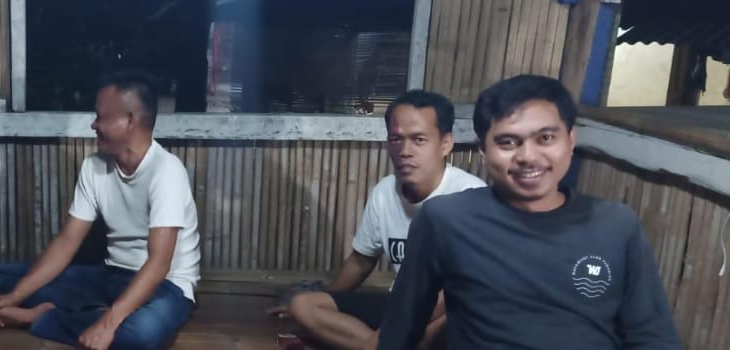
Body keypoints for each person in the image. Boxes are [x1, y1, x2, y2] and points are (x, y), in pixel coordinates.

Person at [377, 75, 682, 349]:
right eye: (508, 142)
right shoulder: (445, 219)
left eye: (545, 138)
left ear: (570, 141)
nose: (528, 156)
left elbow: (652, 336)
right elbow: (401, 327)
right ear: (483, 151)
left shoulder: (615, 226)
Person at [0, 70, 199, 350]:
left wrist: (108, 324)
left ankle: (42, 318)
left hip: (165, 285)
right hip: (111, 276)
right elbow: (67, 242)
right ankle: (98, 314)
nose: (93, 125)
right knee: (5, 278)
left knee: (142, 334)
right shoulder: (94, 167)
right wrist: (14, 297)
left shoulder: (166, 171)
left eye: (101, 117)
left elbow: (159, 264)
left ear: (130, 120)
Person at [270, 90, 484, 350]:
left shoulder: (471, 195)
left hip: (449, 309)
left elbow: (464, 288)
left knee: (451, 320)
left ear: (445, 144)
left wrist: (393, 331)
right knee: (303, 305)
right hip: (401, 304)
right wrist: (324, 302)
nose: (405, 151)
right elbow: (361, 261)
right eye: (396, 139)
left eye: (419, 140)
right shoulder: (385, 192)